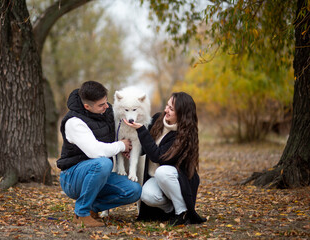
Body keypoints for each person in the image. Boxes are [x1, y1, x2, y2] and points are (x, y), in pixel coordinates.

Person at [57, 81, 142, 227]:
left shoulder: (106, 112)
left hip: (99, 175)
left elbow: (122, 130)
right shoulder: (74, 122)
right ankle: (81, 214)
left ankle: (92, 208)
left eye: (106, 102)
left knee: (133, 190)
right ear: (87, 106)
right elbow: (95, 151)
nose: (106, 107)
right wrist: (121, 145)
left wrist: (129, 146)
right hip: (72, 177)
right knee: (103, 163)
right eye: (101, 105)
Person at [123, 92, 207, 226]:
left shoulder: (183, 135)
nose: (166, 110)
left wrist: (141, 130)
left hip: (176, 178)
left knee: (163, 171)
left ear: (182, 114)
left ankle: (182, 212)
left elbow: (159, 157)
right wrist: (132, 150)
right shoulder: (158, 119)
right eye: (167, 106)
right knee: (146, 195)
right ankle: (172, 210)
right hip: (156, 178)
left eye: (171, 109)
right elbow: (147, 146)